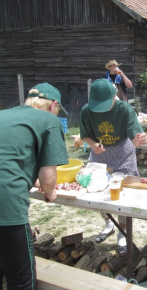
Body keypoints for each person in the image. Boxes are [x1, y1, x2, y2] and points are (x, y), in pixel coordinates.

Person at [0, 83, 69, 289]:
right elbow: (49, 178)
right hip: (6, 204)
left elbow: (13, 158)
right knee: (21, 280)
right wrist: (50, 192)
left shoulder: (5, 115)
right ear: (53, 106)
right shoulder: (49, 120)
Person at [79, 78, 147, 252]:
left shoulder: (123, 109)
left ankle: (122, 233)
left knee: (123, 197)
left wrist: (138, 140)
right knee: (98, 193)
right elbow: (85, 135)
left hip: (123, 155)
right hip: (100, 157)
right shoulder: (87, 110)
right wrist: (93, 144)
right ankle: (109, 223)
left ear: (114, 95)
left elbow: (134, 137)